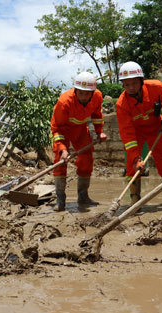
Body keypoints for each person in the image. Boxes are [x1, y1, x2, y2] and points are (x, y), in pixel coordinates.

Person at [116, 61, 162, 205]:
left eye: (134, 84)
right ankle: (135, 199)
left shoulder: (157, 87)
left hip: (157, 128)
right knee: (132, 165)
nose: (130, 88)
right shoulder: (121, 104)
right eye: (126, 85)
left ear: (141, 81)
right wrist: (136, 158)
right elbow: (127, 135)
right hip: (136, 133)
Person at [50, 72, 107, 211]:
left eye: (87, 94)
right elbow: (57, 128)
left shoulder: (97, 97)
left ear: (92, 93)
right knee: (60, 160)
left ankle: (83, 196)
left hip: (81, 129)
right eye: (80, 93)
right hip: (63, 130)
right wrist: (63, 149)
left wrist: (100, 132)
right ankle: (60, 199)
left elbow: (97, 115)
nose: (83, 97)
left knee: (86, 158)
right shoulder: (64, 101)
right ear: (75, 91)